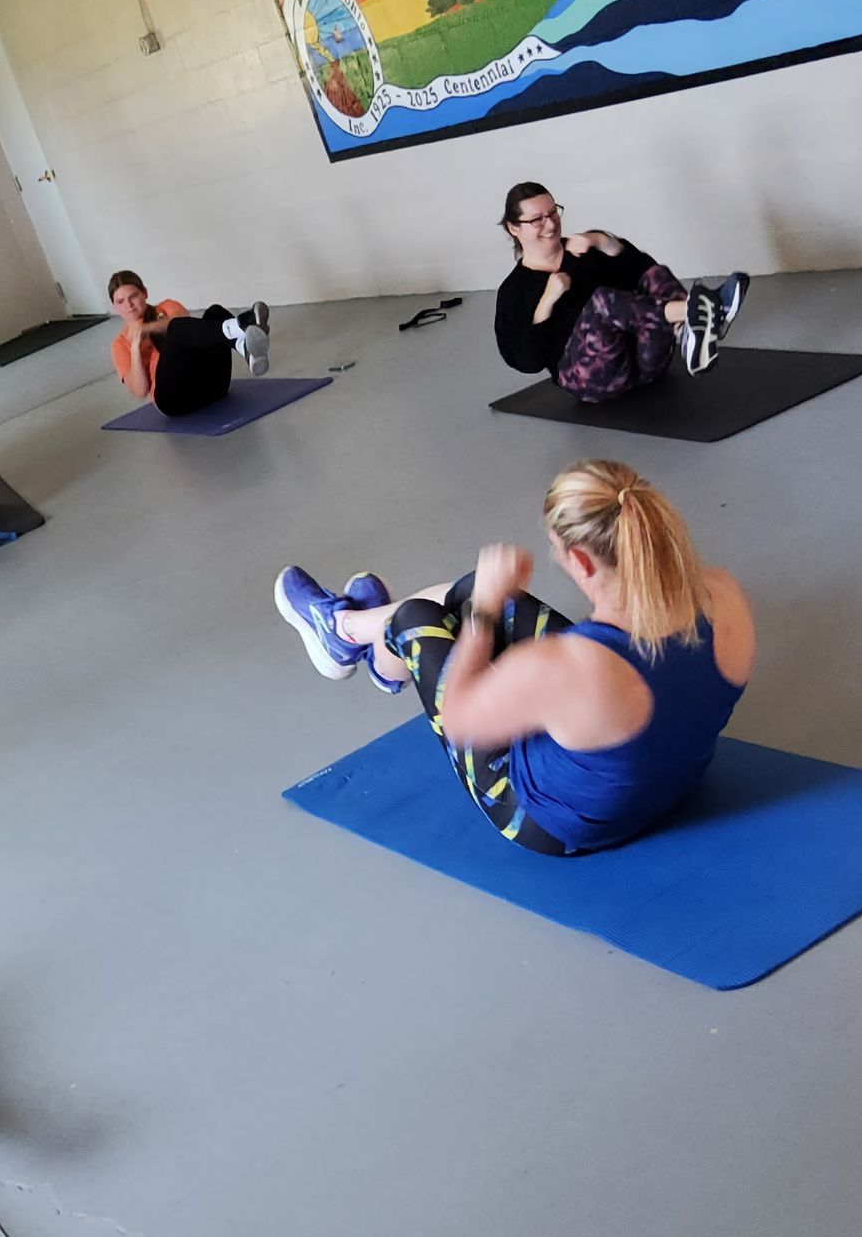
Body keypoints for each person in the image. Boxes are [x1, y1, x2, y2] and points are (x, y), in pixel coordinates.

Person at [274, 458, 753, 855]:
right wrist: (481, 600)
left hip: (557, 826)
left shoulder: (570, 665)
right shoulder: (721, 592)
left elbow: (459, 718)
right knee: (468, 591)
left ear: (581, 561)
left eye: (555, 549)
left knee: (416, 619)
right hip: (672, 780)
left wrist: (482, 614)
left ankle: (356, 641)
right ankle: (349, 627)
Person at [495, 183, 748, 401]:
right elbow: (526, 362)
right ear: (513, 228)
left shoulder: (579, 249)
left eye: (553, 213)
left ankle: (688, 329)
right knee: (601, 301)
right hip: (594, 379)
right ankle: (705, 311)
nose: (550, 224)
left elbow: (642, 267)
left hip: (648, 361)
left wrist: (600, 240)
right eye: (537, 219)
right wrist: (546, 304)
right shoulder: (513, 290)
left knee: (654, 274)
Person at [108, 271, 272, 418]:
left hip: (215, 386)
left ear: (144, 293)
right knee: (176, 329)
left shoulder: (167, 307)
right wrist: (135, 348)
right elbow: (140, 391)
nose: (128, 305)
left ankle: (244, 346)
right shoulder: (120, 345)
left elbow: (180, 323)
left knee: (214, 313)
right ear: (114, 306)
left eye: (133, 296)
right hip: (175, 401)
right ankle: (242, 329)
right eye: (120, 301)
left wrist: (146, 329)